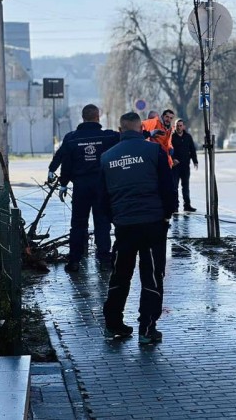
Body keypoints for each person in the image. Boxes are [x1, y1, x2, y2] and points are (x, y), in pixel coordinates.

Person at [100, 112, 176, 344]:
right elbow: (169, 188)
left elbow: (102, 199)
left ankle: (113, 324)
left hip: (124, 226)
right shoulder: (154, 151)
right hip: (152, 224)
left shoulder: (106, 157)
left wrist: (116, 219)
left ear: (120, 130)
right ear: (140, 129)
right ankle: (147, 329)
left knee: (120, 275)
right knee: (152, 276)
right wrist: (166, 216)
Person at [58, 104, 120, 272]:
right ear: (98, 117)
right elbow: (129, 136)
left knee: (78, 224)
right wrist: (148, 133)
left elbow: (66, 164)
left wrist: (63, 183)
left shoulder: (72, 138)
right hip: (101, 187)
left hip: (81, 187)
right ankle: (104, 260)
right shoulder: (107, 137)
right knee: (102, 223)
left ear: (83, 117)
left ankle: (75, 261)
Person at [171, 118, 198, 212]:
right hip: (175, 167)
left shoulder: (188, 137)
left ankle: (187, 205)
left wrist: (195, 161)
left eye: (180, 125)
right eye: (177, 126)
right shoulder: (172, 137)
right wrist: (172, 159)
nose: (179, 127)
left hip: (185, 166)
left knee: (185, 186)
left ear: (183, 126)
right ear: (175, 126)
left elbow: (192, 149)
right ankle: (175, 206)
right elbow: (168, 150)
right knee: (174, 187)